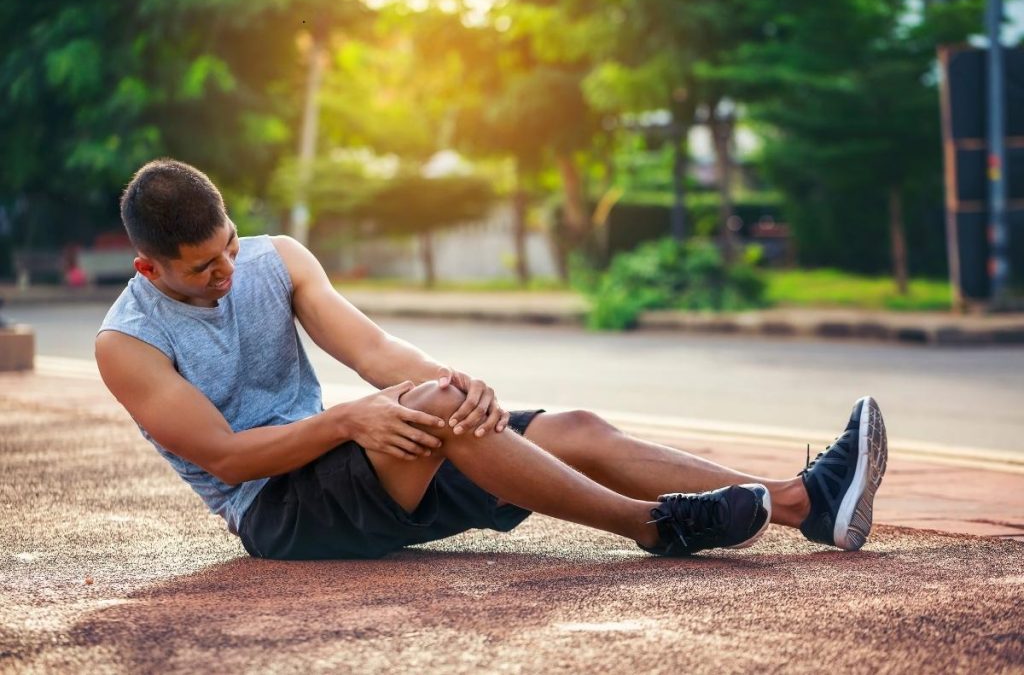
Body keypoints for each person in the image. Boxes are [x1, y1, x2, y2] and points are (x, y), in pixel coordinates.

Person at [95, 159, 888, 561]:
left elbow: (373, 350)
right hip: (281, 511)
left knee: (567, 424)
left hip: (366, 464)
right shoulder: (126, 343)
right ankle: (654, 526)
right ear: (150, 268)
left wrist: (454, 381)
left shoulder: (280, 259)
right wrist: (349, 420)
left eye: (230, 246)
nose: (228, 272)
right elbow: (228, 459)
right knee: (431, 410)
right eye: (204, 268)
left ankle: (802, 504)